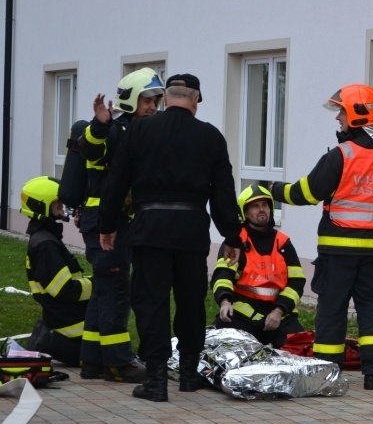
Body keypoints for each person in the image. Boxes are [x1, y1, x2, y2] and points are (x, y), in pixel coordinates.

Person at [99, 73, 242, 402]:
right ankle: (189, 374)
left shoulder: (138, 130)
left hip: (150, 228)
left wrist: (108, 225)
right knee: (191, 301)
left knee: (152, 303)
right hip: (191, 231)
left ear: (165, 97)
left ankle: (156, 380)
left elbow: (116, 181)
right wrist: (232, 236)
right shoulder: (211, 137)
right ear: (196, 101)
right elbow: (223, 194)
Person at [270, 83, 373, 390]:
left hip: (338, 251)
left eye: (341, 112)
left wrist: (273, 190)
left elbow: (306, 192)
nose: (338, 118)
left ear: (357, 114)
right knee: (372, 308)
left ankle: (327, 375)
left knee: (332, 309)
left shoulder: (342, 154)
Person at [76, 68, 165, 383]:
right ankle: (119, 362)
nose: (153, 107)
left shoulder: (134, 129)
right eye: (147, 100)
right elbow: (91, 149)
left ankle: (91, 361)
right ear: (131, 100)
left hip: (108, 219)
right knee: (116, 288)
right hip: (107, 221)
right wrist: (99, 124)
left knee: (103, 288)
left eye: (155, 101)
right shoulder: (115, 129)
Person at [211, 184, 306, 348]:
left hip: (278, 315)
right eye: (255, 206)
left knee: (301, 347)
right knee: (221, 347)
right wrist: (225, 301)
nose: (261, 209)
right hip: (242, 315)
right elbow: (222, 276)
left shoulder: (283, 243)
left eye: (265, 205)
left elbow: (296, 283)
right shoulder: (235, 242)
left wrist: (279, 310)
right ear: (245, 212)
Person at [21, 176, 90, 367]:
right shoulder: (46, 246)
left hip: (65, 321)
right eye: (57, 203)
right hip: (71, 329)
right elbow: (65, 290)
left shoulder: (46, 239)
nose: (62, 206)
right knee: (101, 359)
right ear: (41, 205)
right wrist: (97, 283)